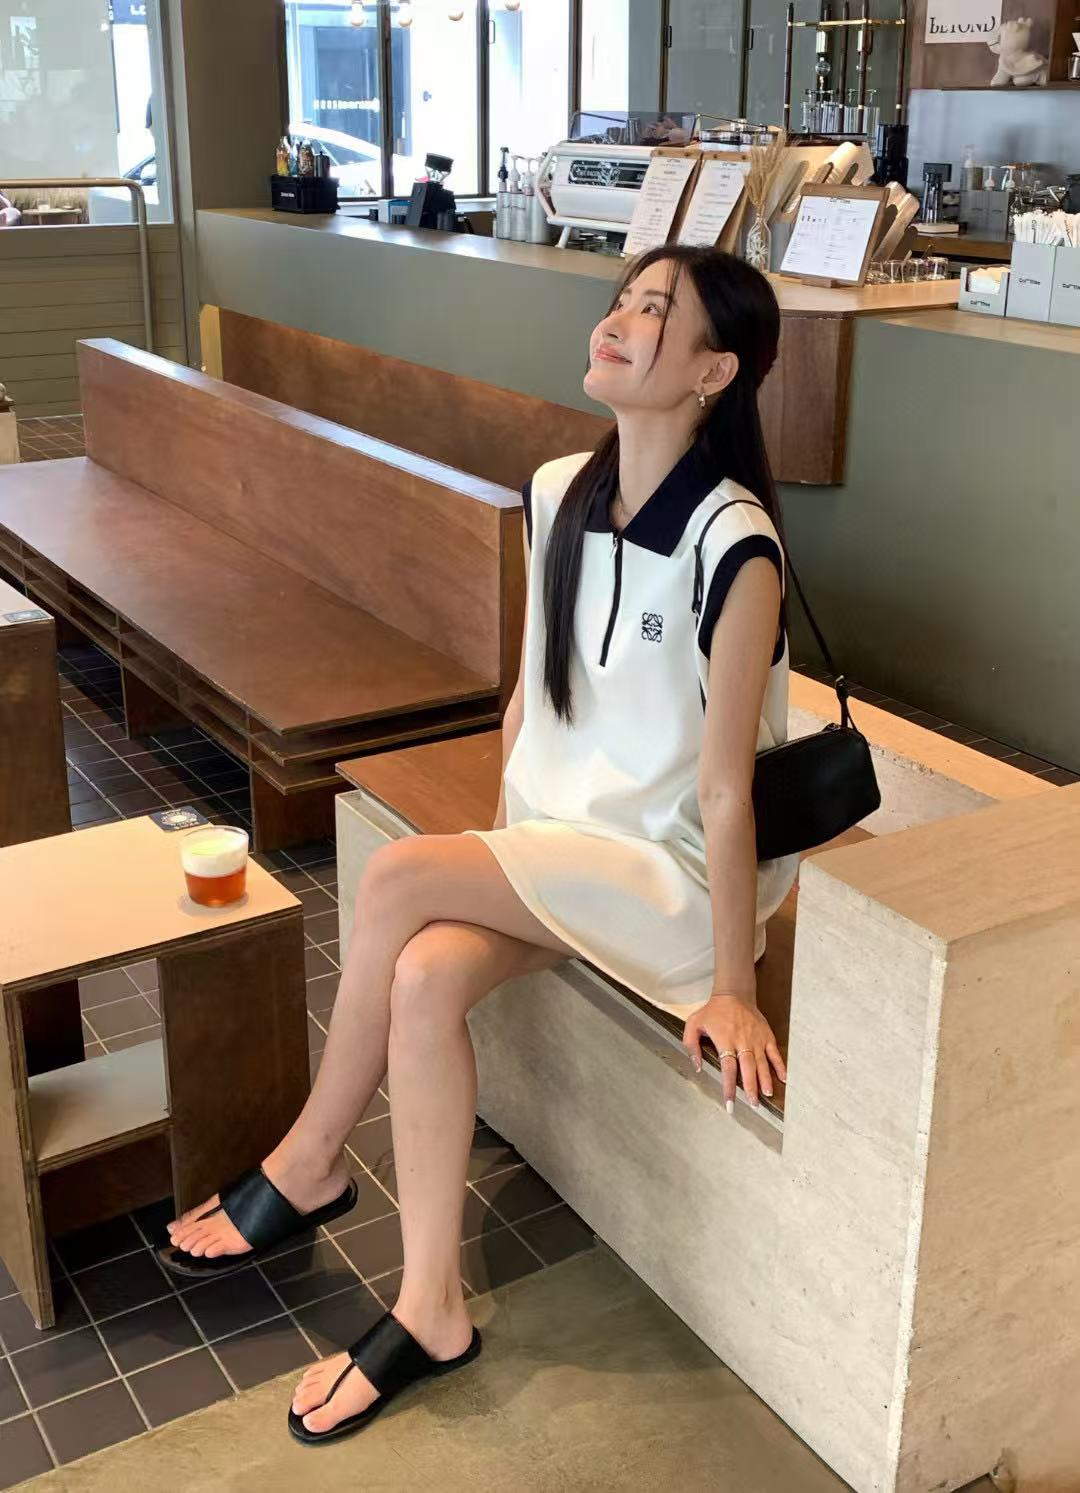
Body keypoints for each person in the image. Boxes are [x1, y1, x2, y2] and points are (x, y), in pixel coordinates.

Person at [160, 245, 799, 1445]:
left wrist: (734, 981)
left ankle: (309, 1162)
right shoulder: (559, 489)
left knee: (401, 869)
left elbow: (725, 790)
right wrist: (507, 863)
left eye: (657, 312)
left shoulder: (735, 544)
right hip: (558, 852)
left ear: (715, 371)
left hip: (662, 879)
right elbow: (528, 705)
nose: (619, 319)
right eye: (622, 299)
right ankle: (432, 1306)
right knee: (422, 970)